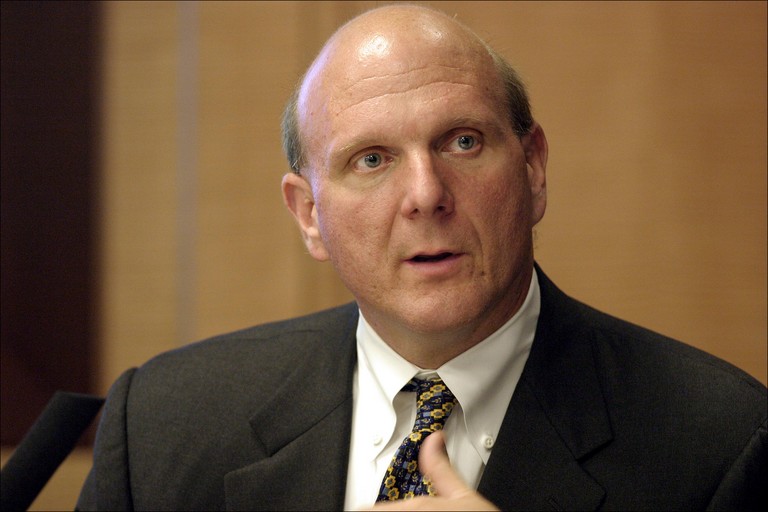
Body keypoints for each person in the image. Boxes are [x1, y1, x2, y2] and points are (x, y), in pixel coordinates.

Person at [77, 5, 766, 511]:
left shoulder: (721, 442)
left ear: (532, 169)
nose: (426, 195)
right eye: (371, 159)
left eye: (462, 141)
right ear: (310, 215)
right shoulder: (164, 424)